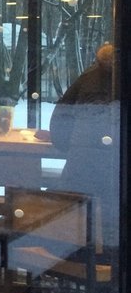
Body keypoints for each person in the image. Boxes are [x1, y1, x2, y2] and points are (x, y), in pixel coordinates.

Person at [49, 42, 117, 248]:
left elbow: (61, 118)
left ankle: (76, 255)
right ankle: (108, 257)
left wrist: (69, 147)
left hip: (80, 166)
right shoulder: (119, 81)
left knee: (76, 212)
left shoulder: (87, 78)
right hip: (114, 169)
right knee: (111, 215)